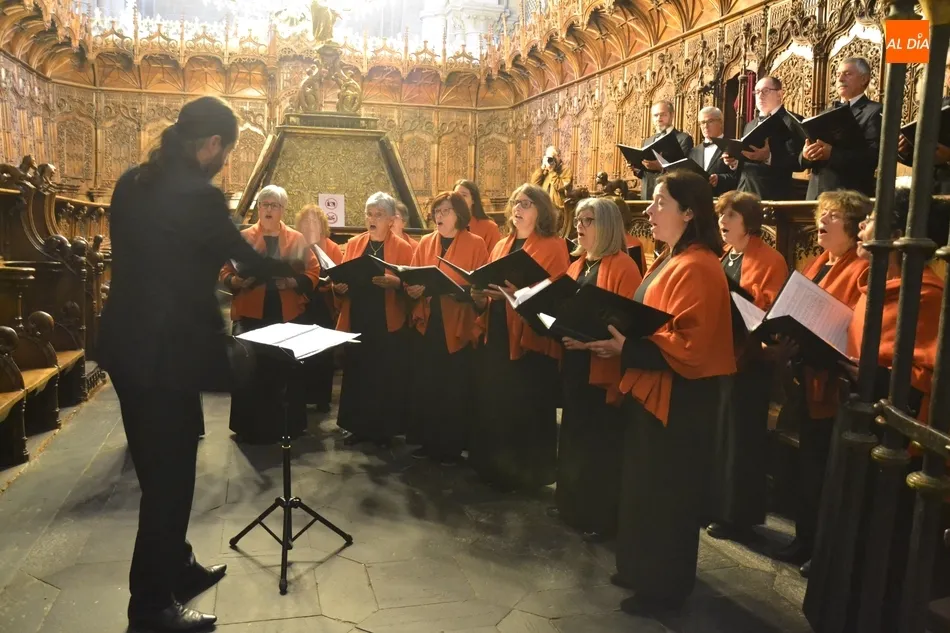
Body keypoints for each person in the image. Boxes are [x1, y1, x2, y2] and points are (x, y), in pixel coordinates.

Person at [98, 96, 291, 632]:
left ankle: (177, 568)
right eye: (225, 152)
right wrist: (302, 264)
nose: (223, 162)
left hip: (129, 345)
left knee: (165, 462)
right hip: (166, 354)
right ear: (210, 145)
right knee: (169, 480)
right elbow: (246, 257)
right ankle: (151, 607)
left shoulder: (132, 182)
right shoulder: (199, 197)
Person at [587, 170, 736, 616]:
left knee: (666, 494)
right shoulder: (672, 259)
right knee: (642, 486)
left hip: (680, 401)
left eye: (659, 203)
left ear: (689, 213)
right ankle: (638, 566)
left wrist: (625, 346)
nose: (648, 211)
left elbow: (691, 345)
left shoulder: (700, 266)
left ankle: (664, 586)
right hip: (652, 390)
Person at [804, 190, 950, 631]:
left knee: (876, 541)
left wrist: (872, 376)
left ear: (900, 236)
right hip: (854, 414)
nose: (863, 229)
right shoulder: (876, 283)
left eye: (871, 222)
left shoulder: (926, 295)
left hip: (892, 435)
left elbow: (929, 376)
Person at [773, 190, 870, 568]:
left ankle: (824, 550)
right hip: (806, 375)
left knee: (828, 472)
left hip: (834, 383)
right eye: (821, 214)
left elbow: (852, 323)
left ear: (853, 225)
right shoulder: (819, 263)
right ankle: (805, 538)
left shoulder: (860, 267)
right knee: (808, 469)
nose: (821, 221)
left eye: (832, 215)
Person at [469, 184, 570, 491]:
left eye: (526, 203)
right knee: (498, 401)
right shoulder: (502, 245)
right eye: (515, 202)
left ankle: (527, 473)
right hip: (499, 330)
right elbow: (492, 288)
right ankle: (494, 467)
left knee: (525, 403)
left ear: (541, 209)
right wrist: (480, 296)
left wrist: (520, 296)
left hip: (530, 337)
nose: (518, 208)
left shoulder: (553, 246)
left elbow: (557, 297)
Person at [555, 197, 642, 542]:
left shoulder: (623, 266)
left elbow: (625, 321)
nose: (579, 225)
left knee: (599, 442)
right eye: (578, 219)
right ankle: (571, 504)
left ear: (606, 225)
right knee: (575, 434)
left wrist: (585, 340)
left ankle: (598, 513)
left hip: (602, 365)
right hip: (575, 360)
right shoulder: (579, 263)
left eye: (588, 220)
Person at [706, 191, 789, 543]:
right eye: (722, 215)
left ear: (749, 222)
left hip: (750, 360)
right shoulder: (726, 254)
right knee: (720, 435)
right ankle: (714, 504)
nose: (723, 222)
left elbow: (767, 310)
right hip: (721, 354)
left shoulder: (770, 259)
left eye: (731, 216)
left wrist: (736, 297)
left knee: (742, 440)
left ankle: (738, 515)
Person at [219, 185, 321, 443]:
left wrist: (293, 283)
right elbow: (225, 269)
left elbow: (313, 271)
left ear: (283, 210)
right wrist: (235, 281)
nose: (269, 209)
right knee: (251, 371)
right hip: (252, 311)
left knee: (285, 370)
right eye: (264, 204)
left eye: (274, 205)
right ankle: (250, 427)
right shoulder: (243, 237)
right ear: (258, 208)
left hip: (284, 311)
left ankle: (288, 425)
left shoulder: (296, 239)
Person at [405, 191, 489, 464]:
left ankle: (451, 445)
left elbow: (481, 285)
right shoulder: (426, 242)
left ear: (460, 215)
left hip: (458, 321)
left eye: (445, 211)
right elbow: (412, 276)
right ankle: (428, 442)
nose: (439, 216)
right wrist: (413, 288)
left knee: (454, 387)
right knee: (428, 384)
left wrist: (460, 292)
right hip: (429, 320)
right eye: (437, 211)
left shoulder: (475, 243)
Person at [334, 192, 415, 446]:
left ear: (391, 220)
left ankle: (383, 430)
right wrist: (339, 287)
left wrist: (397, 282)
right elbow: (342, 275)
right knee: (358, 372)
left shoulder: (404, 248)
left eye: (379, 214)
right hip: (359, 314)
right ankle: (356, 426)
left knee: (384, 374)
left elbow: (412, 285)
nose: (372, 219)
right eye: (369, 213)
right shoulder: (355, 243)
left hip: (387, 317)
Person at [800, 58, 882, 199]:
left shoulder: (874, 111)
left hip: (847, 196)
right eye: (838, 74)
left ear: (864, 79)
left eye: (847, 74)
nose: (840, 79)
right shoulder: (825, 113)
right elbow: (802, 160)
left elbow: (872, 158)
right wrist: (806, 155)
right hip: (816, 194)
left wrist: (832, 154)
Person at [723, 76, 805, 201]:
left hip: (773, 194)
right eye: (757, 92)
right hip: (743, 191)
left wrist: (768, 157)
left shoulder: (793, 122)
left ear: (779, 94)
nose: (760, 96)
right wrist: (734, 161)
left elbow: (799, 162)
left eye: (766, 91)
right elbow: (746, 161)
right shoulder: (750, 124)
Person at [295, 204, 343, 412]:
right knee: (300, 352)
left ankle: (322, 397)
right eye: (306, 221)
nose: (310, 225)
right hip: (302, 303)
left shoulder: (331, 246)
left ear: (322, 225)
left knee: (323, 353)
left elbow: (342, 274)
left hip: (324, 303)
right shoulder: (295, 244)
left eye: (314, 221)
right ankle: (302, 395)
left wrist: (331, 285)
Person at [633, 101, 695, 201]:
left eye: (663, 114)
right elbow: (645, 173)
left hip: (669, 194)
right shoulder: (647, 141)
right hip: (647, 194)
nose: (658, 118)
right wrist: (636, 168)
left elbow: (684, 171)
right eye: (655, 115)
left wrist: (660, 167)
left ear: (672, 115)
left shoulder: (683, 139)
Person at [690, 106, 739, 195]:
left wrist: (719, 179)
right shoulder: (694, 151)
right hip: (698, 201)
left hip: (722, 201)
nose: (705, 126)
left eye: (710, 121)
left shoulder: (733, 146)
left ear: (720, 122)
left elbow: (739, 177)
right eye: (702, 122)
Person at [530, 146, 573, 233]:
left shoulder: (566, 170)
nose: (551, 159)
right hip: (543, 207)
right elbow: (534, 185)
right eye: (548, 157)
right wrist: (542, 169)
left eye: (553, 156)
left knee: (552, 234)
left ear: (559, 156)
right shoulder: (545, 170)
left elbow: (560, 186)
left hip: (557, 209)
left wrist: (552, 171)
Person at [454, 179, 501, 252]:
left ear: (473, 200)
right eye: (456, 195)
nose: (459, 199)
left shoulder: (490, 227)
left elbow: (495, 258)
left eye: (464, 195)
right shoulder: (446, 224)